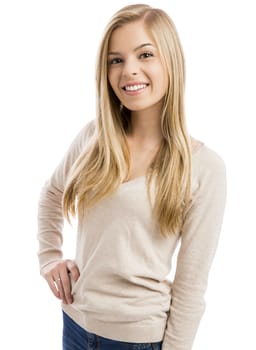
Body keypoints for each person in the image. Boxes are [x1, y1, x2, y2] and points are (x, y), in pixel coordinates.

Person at [37, 4, 227, 350]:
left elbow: (191, 287)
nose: (129, 71)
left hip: (137, 341)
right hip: (76, 325)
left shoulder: (204, 167)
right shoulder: (94, 138)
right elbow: (51, 193)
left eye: (145, 55)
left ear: (170, 61)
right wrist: (49, 257)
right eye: (116, 60)